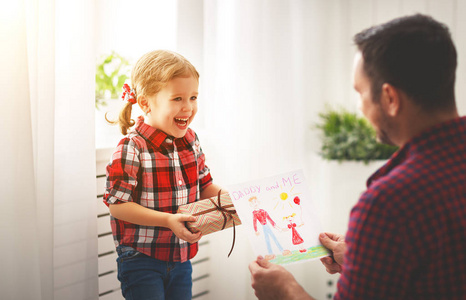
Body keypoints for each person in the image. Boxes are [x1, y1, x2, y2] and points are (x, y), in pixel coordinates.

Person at [249, 14, 466, 299]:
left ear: (389, 98)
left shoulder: (388, 203)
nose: (360, 108)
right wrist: (366, 258)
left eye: (360, 92)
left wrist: (285, 291)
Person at [103, 50, 222, 300]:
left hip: (181, 258)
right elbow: (117, 206)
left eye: (193, 97)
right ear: (145, 103)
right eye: (177, 98)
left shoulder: (191, 140)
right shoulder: (131, 147)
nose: (188, 108)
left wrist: (237, 201)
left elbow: (205, 185)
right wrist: (168, 220)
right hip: (140, 260)